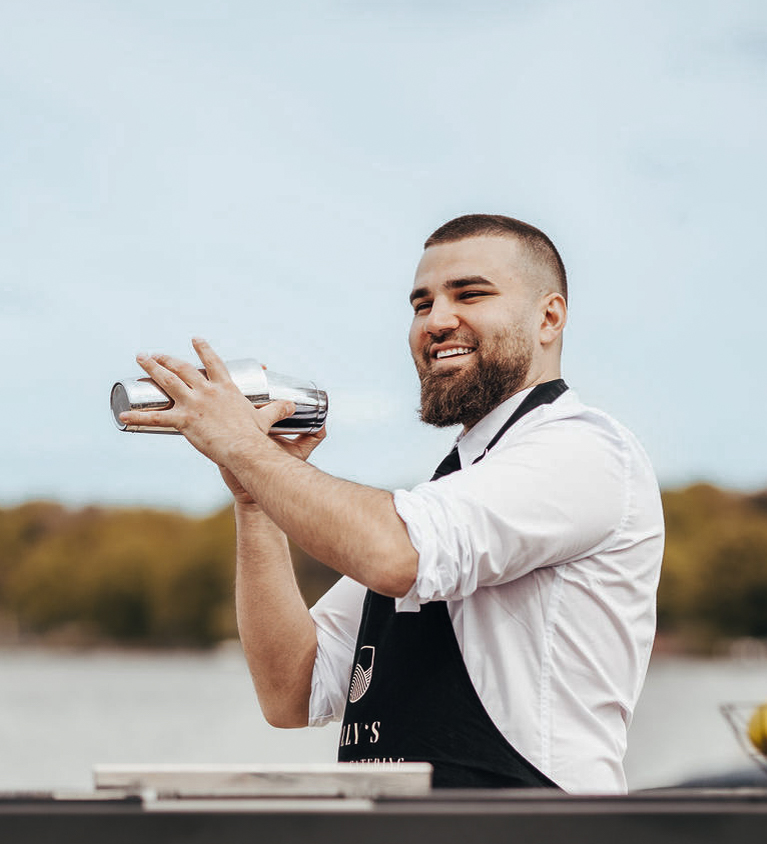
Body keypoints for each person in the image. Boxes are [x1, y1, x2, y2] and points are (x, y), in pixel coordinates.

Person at [121, 214, 664, 792]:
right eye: (421, 304)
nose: (438, 320)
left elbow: (395, 553)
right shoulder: (452, 493)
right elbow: (291, 690)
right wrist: (255, 501)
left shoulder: (584, 450)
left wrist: (243, 443)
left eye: (470, 294)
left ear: (548, 317)